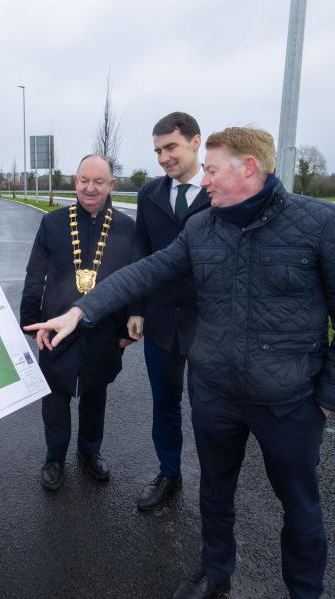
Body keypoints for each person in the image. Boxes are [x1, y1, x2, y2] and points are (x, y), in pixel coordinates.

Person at [24, 128, 335, 599]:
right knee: (214, 493)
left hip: (290, 401)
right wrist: (80, 311)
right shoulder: (203, 228)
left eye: (211, 171)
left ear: (247, 168)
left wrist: (330, 398)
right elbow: (144, 272)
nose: (204, 181)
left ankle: (304, 591)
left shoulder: (321, 223)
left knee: (300, 506)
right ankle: (215, 574)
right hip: (215, 394)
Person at [20, 154, 141, 491]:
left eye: (98, 182)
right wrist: (31, 322)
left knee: (95, 394)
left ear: (111, 185)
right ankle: (54, 457)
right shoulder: (53, 222)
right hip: (56, 326)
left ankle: (90, 452)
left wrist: (129, 326)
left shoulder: (127, 227)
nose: (90, 188)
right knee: (56, 397)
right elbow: (35, 274)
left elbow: (136, 278)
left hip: (104, 329)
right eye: (83, 180)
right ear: (75, 182)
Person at [134, 112, 210, 511]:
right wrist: (136, 308)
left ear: (196, 141)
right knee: (165, 404)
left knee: (209, 412)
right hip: (161, 321)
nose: (164, 158)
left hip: (209, 326)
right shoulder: (149, 194)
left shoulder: (219, 192)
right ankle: (169, 473)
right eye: (158, 151)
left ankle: (214, 486)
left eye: (171, 147)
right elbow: (141, 254)